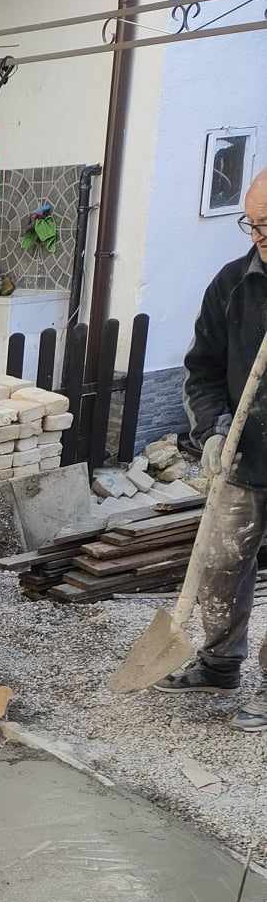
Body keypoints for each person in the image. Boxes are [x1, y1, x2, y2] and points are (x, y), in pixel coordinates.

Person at [155, 169, 267, 728]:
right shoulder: (233, 284)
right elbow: (201, 371)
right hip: (246, 456)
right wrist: (214, 432)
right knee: (222, 563)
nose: (258, 237)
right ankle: (221, 663)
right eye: (252, 224)